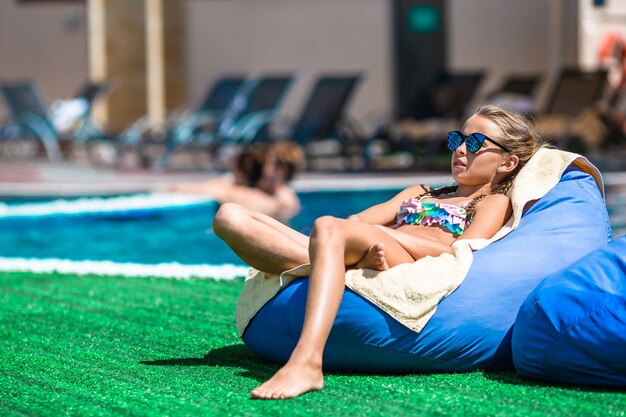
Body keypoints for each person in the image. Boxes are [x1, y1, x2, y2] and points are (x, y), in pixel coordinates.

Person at [213, 105, 546, 399]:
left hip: (406, 259)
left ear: (507, 162)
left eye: (474, 143)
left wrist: (382, 235)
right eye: (456, 139)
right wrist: (357, 236)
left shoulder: (490, 202)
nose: (460, 149)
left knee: (329, 227)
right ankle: (343, 261)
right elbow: (357, 221)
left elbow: (460, 251)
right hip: (371, 247)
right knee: (230, 216)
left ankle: (307, 361)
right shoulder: (422, 191)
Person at [168, 141, 303, 220]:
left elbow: (240, 199)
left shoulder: (284, 200)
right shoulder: (265, 191)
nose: (261, 166)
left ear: (280, 169)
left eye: (267, 163)